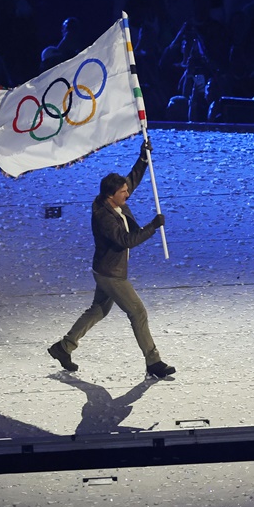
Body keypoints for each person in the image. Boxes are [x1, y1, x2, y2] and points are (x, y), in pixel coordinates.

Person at [47, 140, 175, 380]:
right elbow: (125, 240)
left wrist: (143, 159)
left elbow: (132, 181)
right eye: (123, 193)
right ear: (110, 195)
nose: (128, 194)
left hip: (106, 269)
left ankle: (63, 348)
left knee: (98, 310)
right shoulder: (103, 217)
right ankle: (153, 361)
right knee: (138, 312)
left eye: (126, 191)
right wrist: (152, 227)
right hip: (111, 274)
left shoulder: (113, 201)